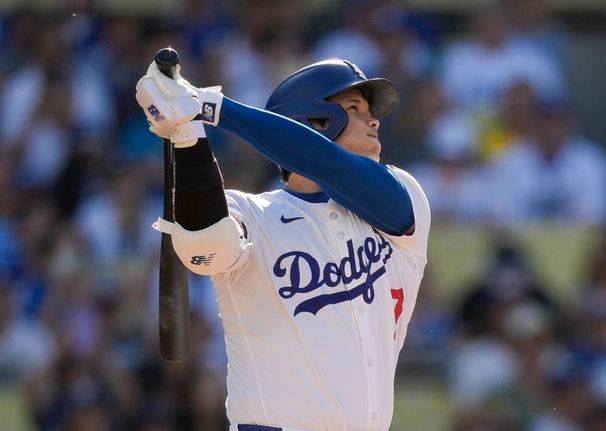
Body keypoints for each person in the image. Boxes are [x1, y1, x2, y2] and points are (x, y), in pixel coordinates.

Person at [135, 57, 431, 431]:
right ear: (314, 121)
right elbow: (205, 243)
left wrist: (211, 107)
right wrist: (187, 136)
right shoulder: (253, 212)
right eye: (354, 109)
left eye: (371, 112)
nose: (374, 121)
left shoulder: (404, 194)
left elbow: (329, 165)